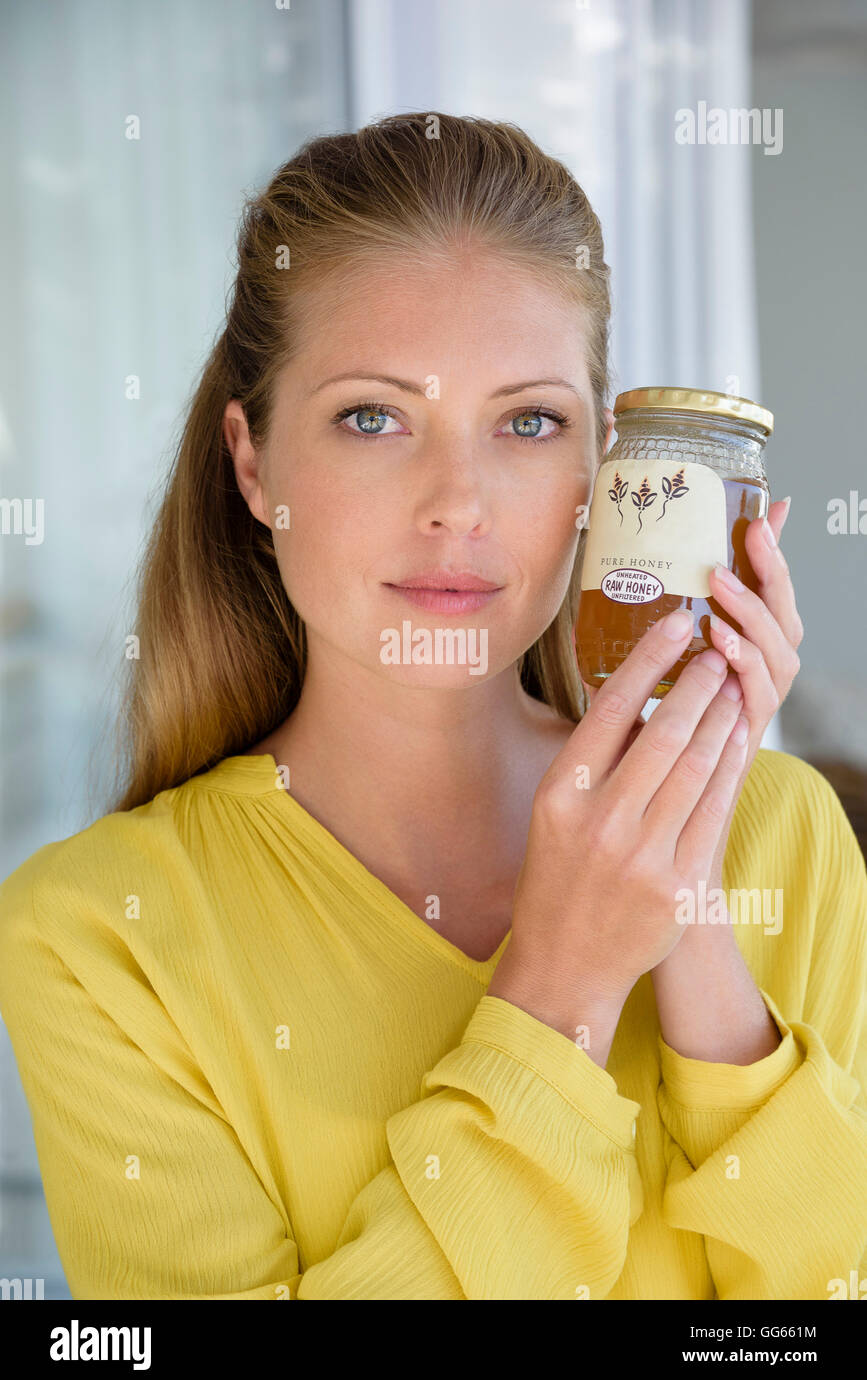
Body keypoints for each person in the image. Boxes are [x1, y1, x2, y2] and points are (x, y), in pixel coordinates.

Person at [0, 112, 864, 1301]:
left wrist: (696, 920)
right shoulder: (99, 937)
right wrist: (560, 991)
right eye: (373, 417)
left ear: (600, 472)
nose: (459, 502)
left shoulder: (787, 836)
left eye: (528, 422)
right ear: (252, 464)